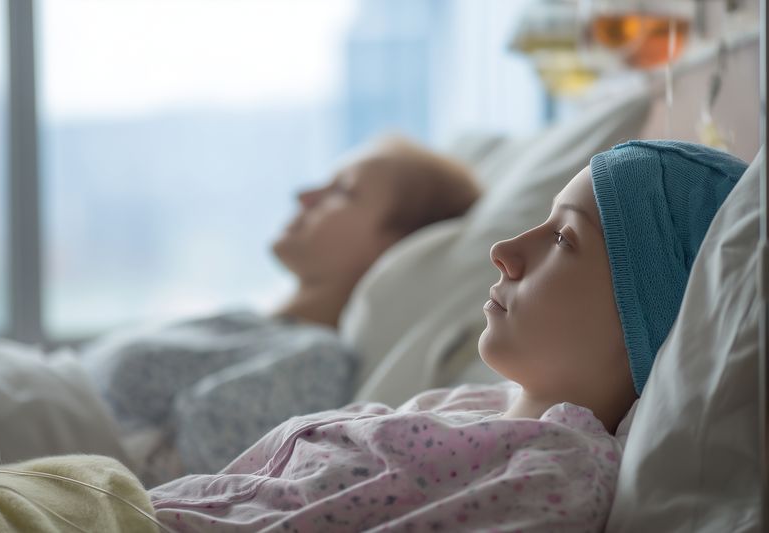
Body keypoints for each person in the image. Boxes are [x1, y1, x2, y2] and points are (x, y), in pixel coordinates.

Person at [146, 141, 747, 531]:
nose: (505, 251)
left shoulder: (555, 473)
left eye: (565, 240)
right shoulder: (463, 407)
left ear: (646, 313)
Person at [80, 135, 481, 484]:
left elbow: (202, 477)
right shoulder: (250, 324)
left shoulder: (315, 358)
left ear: (399, 245)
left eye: (342, 191)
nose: (305, 195)